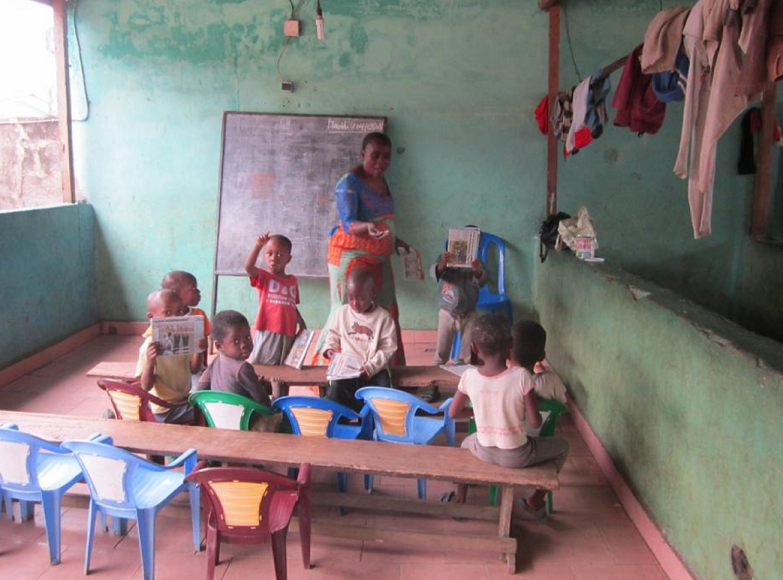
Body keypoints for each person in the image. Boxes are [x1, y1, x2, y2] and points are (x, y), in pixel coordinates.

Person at [448, 314, 569, 519]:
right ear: (509, 345)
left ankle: (460, 498)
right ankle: (536, 499)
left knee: (464, 444)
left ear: (475, 348)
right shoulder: (522, 377)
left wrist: (479, 412)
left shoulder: (468, 376)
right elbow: (534, 421)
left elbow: (453, 413)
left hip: (483, 450)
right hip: (517, 456)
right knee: (563, 447)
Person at [313, 132, 409, 366]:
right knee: (348, 311)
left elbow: (383, 220)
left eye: (386, 157)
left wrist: (396, 241)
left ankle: (391, 371)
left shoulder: (383, 180)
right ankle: (329, 373)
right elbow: (349, 223)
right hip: (350, 256)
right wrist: (369, 227)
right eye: (375, 156)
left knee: (388, 310)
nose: (381, 162)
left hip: (379, 258)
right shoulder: (349, 182)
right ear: (362, 154)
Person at [322, 269, 398, 412]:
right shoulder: (342, 313)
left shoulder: (383, 318)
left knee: (382, 396)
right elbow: (332, 334)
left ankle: (376, 427)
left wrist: (370, 367)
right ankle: (338, 422)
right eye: (351, 298)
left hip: (374, 370)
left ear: (373, 294)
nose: (355, 303)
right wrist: (330, 349)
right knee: (336, 390)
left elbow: (388, 349)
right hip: (346, 369)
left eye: (361, 299)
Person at [196, 310, 281, 432]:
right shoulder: (243, 368)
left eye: (247, 337)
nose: (244, 344)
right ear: (219, 346)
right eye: (236, 341)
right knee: (282, 414)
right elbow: (263, 403)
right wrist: (275, 391)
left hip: (220, 425)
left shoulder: (216, 362)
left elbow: (200, 389)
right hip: (248, 426)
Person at [244, 232, 306, 398]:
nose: (274, 258)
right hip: (268, 330)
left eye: (280, 254)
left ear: (289, 259)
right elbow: (248, 268)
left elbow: (292, 304)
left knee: (283, 372)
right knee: (261, 370)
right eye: (269, 253)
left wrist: (302, 323)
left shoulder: (292, 280)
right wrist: (258, 245)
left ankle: (280, 403)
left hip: (288, 333)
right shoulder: (264, 277)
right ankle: (258, 400)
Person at [135, 289, 206, 424]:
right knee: (209, 412)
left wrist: (198, 350)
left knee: (211, 398)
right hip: (166, 410)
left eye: (179, 311)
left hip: (184, 399)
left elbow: (194, 370)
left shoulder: (183, 339)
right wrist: (150, 362)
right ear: (152, 317)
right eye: (168, 313)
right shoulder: (149, 347)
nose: (175, 317)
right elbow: (145, 387)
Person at [510, 320, 567, 437]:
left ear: (508, 353)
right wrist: (544, 374)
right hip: (539, 438)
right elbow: (561, 405)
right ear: (542, 356)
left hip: (507, 439)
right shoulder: (551, 381)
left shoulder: (500, 381)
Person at [431, 250, 488, 365]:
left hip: (469, 314)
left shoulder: (476, 262)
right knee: (441, 352)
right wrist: (442, 265)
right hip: (446, 313)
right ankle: (437, 368)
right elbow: (434, 273)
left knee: (471, 353)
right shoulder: (444, 258)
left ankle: (472, 372)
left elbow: (483, 279)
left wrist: (477, 271)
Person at [160, 270, 210, 384]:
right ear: (176, 293)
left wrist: (205, 365)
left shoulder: (199, 315)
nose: (199, 291)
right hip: (171, 370)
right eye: (194, 289)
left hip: (194, 368)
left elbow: (204, 344)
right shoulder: (161, 319)